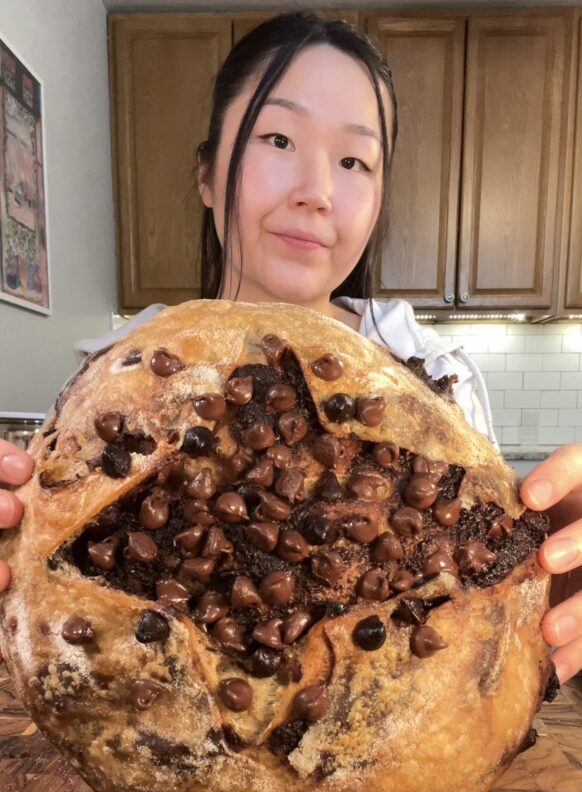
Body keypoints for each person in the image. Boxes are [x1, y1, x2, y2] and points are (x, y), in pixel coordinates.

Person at [0, 12, 579, 686]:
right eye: (278, 138)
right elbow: (57, 631)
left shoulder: (440, 387)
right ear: (207, 173)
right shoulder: (112, 385)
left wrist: (551, 560)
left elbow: (477, 629)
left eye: (354, 161)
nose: (317, 192)